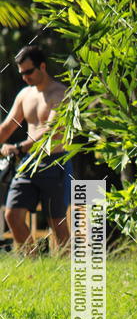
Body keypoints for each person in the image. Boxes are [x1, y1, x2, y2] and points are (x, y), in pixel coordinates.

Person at [0, 45, 69, 254]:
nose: (25, 77)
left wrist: (19, 147)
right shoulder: (24, 95)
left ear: (42, 66)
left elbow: (51, 131)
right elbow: (7, 127)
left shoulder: (60, 93)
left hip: (54, 161)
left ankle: (67, 272)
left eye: (29, 72)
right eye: (21, 73)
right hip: (28, 162)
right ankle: (34, 263)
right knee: (12, 215)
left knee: (57, 222)